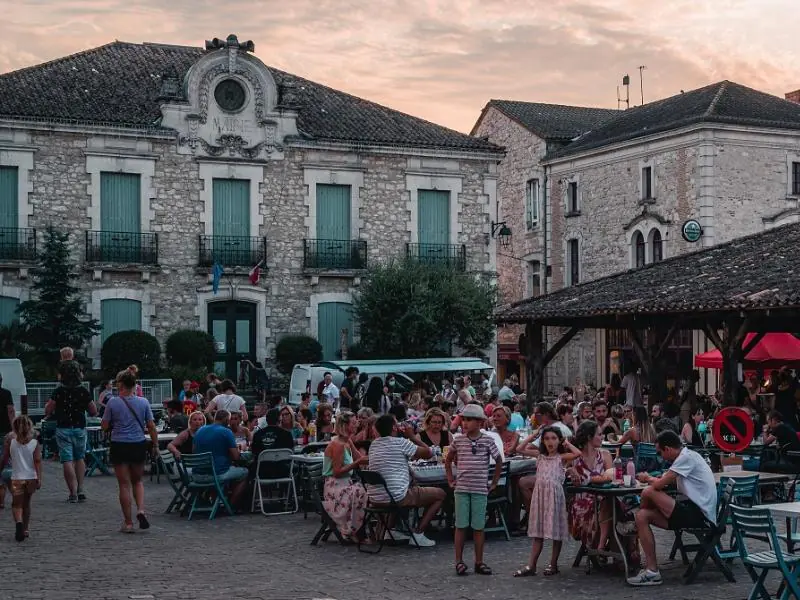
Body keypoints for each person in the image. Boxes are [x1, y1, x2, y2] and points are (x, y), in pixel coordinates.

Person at [629, 430, 717, 586]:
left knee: (648, 491)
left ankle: (632, 527)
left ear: (668, 449)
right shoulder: (688, 456)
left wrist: (647, 478)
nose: (660, 457)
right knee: (642, 516)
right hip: (692, 510)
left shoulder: (685, 458)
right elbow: (670, 482)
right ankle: (652, 571)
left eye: (660, 452)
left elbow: (658, 485)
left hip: (698, 515)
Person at [367, 414, 445, 546]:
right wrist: (413, 437)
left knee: (402, 488)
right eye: (397, 424)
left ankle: (389, 530)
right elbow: (429, 453)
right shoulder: (400, 442)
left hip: (376, 497)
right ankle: (419, 533)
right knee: (440, 494)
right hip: (396, 497)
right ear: (393, 427)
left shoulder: (374, 444)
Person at [514, 426, 580, 577]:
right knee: (539, 533)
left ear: (559, 440)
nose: (550, 442)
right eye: (547, 438)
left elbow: (577, 453)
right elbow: (519, 448)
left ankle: (553, 564)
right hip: (540, 497)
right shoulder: (540, 455)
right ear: (543, 441)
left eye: (554, 438)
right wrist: (535, 435)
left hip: (554, 498)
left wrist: (566, 443)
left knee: (555, 532)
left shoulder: (561, 458)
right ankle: (531, 565)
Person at [446, 404, 502, 575]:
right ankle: (459, 560)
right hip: (462, 488)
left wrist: (494, 482)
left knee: (478, 527)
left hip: (479, 489)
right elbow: (447, 460)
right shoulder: (458, 440)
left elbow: (498, 460)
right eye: (464, 419)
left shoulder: (487, 440)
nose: (465, 423)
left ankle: (479, 561)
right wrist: (450, 479)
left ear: (479, 423)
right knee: (460, 525)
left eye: (469, 420)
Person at [101, 369, 158, 533]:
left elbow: (104, 426)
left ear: (120, 384)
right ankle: (141, 510)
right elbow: (151, 426)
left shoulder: (113, 402)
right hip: (138, 443)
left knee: (124, 484)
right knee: (138, 481)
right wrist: (154, 445)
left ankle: (128, 523)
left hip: (119, 444)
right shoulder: (144, 402)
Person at [568, 420, 615, 557]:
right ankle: (604, 549)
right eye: (599, 435)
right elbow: (559, 472)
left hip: (603, 498)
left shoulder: (605, 455)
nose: (602, 438)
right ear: (589, 437)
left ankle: (602, 547)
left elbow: (611, 476)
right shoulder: (574, 457)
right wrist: (569, 471)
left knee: (613, 505)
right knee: (610, 506)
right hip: (581, 503)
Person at [45, 380, 97, 503]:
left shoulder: (58, 391)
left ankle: (72, 493)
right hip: (79, 427)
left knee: (67, 460)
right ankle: (80, 489)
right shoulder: (83, 391)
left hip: (63, 427)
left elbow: (48, 410)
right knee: (80, 458)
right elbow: (93, 410)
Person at [322, 411, 369, 541]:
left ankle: (359, 530)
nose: (356, 425)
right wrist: (356, 463)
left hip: (345, 484)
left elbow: (360, 458)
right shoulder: (337, 445)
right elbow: (337, 472)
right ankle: (357, 532)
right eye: (353, 423)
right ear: (345, 425)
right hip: (335, 486)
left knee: (364, 490)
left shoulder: (347, 441)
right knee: (360, 491)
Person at [193, 410, 249, 507]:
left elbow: (194, 451)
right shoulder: (226, 432)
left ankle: (215, 500)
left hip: (197, 475)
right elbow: (236, 457)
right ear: (227, 420)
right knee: (244, 472)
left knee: (226, 469)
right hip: (215, 475)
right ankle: (231, 505)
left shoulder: (200, 430)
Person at [0, 416, 41, 542]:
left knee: (17, 504)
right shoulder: (35, 443)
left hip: (17, 477)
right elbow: (37, 461)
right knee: (27, 504)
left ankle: (18, 522)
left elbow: (5, 459)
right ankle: (26, 528)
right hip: (31, 477)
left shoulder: (11, 442)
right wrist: (39, 477)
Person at [0, 375, 15, 506]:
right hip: (5, 430)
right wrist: (14, 429)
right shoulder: (6, 393)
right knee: (6, 462)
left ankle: (1, 499)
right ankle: (15, 494)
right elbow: (10, 411)